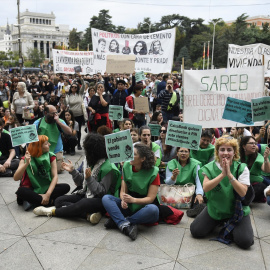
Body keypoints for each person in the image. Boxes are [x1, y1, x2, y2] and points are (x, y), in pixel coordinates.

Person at [33, 133, 121, 225]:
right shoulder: (88, 160)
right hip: (85, 193)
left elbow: (102, 192)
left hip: (101, 200)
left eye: (87, 150)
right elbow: (81, 183)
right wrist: (73, 171)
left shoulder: (108, 167)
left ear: (93, 152)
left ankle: (52, 212)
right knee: (59, 201)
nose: (85, 152)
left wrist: (89, 179)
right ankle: (87, 215)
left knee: (84, 203)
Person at [190, 136, 254, 249]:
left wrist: (230, 176)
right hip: (216, 210)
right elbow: (205, 188)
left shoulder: (241, 168)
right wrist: (222, 175)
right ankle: (218, 222)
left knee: (245, 242)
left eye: (229, 150)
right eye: (222, 149)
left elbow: (243, 192)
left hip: (237, 212)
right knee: (196, 231)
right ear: (217, 152)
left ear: (235, 152)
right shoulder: (209, 167)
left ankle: (230, 224)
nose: (225, 153)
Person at [102, 143, 160, 240]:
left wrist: (133, 200)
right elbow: (123, 191)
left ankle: (121, 222)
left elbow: (150, 198)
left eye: (134, 154)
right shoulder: (126, 166)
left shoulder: (154, 172)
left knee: (153, 210)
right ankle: (125, 225)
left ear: (143, 159)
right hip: (129, 204)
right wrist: (123, 199)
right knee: (106, 198)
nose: (129, 155)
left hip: (144, 206)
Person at [14, 135, 70, 210]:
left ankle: (34, 201)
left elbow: (55, 177)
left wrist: (47, 194)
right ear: (39, 147)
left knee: (66, 187)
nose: (49, 144)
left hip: (45, 187)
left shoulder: (51, 156)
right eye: (46, 144)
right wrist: (26, 163)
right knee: (21, 191)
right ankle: (51, 202)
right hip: (31, 189)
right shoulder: (25, 158)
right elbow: (16, 178)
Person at [34, 105, 72, 173]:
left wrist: (58, 122)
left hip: (56, 151)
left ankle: (60, 160)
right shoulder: (38, 122)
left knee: (57, 170)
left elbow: (69, 132)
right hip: (42, 151)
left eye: (56, 113)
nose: (55, 115)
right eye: (53, 113)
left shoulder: (59, 121)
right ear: (45, 113)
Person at [240, 136, 270, 202]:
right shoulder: (237, 156)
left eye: (255, 143)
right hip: (240, 183)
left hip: (254, 183)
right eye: (251, 143)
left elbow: (267, 170)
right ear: (244, 146)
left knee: (260, 188)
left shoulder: (258, 156)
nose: (254, 145)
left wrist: (266, 159)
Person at [66, 79, 85, 150]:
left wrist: (81, 79)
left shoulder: (80, 94)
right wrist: (64, 96)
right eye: (72, 87)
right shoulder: (68, 96)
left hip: (79, 115)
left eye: (75, 87)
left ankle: (79, 143)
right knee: (71, 129)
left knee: (79, 130)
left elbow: (83, 86)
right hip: (71, 115)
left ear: (77, 88)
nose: (73, 88)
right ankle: (72, 146)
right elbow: (66, 103)